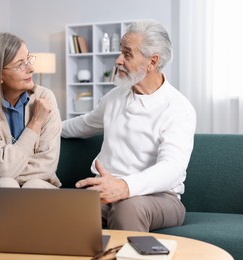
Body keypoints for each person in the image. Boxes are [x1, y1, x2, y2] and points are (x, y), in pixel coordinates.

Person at [62, 20, 196, 232]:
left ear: (152, 62)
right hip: (106, 191)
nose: (118, 60)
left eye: (127, 54)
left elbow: (172, 168)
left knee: (127, 207)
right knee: (70, 208)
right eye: (120, 53)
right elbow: (84, 124)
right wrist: (45, 126)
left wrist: (126, 187)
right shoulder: (114, 97)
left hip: (159, 197)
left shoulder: (178, 108)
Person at [0, 32, 62, 219]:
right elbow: (4, 171)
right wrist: (35, 123)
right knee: (6, 187)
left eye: (28, 59)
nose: (31, 68)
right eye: (20, 64)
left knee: (32, 187)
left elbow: (46, 165)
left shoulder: (45, 98)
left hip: (37, 183)